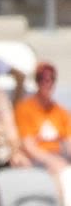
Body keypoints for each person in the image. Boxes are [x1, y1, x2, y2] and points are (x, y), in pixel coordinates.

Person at [15, 62, 71, 191]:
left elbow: (69, 142)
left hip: (60, 156)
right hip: (37, 160)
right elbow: (29, 146)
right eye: (43, 79)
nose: (47, 83)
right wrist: (52, 161)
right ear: (37, 82)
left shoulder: (62, 112)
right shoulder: (25, 109)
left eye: (51, 79)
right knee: (64, 177)